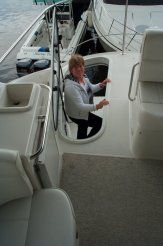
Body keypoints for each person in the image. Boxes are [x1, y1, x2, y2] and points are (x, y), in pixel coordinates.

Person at [64, 54, 110, 139]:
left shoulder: (83, 77)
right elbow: (80, 106)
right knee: (99, 124)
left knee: (83, 127)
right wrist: (97, 106)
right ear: (71, 70)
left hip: (82, 112)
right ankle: (86, 141)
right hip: (77, 114)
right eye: (76, 67)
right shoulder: (70, 87)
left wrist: (101, 84)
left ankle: (81, 142)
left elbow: (91, 89)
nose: (79, 69)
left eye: (81, 66)